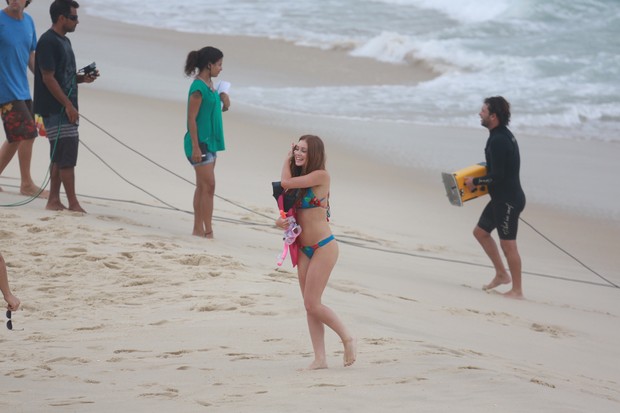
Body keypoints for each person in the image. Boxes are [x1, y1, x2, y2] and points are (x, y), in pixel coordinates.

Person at [276, 135, 356, 369]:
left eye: (303, 151)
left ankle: (348, 339)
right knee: (310, 304)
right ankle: (320, 358)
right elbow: (290, 214)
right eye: (297, 149)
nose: (298, 153)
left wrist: (286, 158)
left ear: (315, 155)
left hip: (324, 247)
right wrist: (279, 223)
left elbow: (285, 183)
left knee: (313, 303)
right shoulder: (300, 179)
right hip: (304, 248)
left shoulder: (321, 176)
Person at [33, 0, 98, 213]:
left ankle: (53, 199)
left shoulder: (65, 42)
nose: (77, 22)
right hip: (56, 108)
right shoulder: (48, 41)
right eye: (74, 17)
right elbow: (48, 78)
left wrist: (82, 79)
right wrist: (69, 106)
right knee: (67, 156)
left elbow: (64, 75)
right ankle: (73, 204)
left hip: (63, 106)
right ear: (61, 18)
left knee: (59, 155)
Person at [465, 96, 526, 299]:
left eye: (483, 111)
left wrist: (476, 182)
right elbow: (498, 169)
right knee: (480, 232)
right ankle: (501, 274)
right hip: (502, 199)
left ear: (493, 116)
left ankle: (517, 290)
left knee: (509, 245)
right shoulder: (500, 135)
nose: (479, 113)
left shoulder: (499, 140)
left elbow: (497, 177)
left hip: (508, 201)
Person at [0, 0, 48, 198]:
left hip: (23, 89)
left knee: (20, 136)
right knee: (25, 134)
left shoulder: (29, 22)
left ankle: (23, 182)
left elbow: (31, 55)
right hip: (4, 89)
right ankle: (26, 184)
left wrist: (46, 77)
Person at [183, 46, 229, 238]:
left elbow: (216, 110)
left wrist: (224, 100)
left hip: (210, 143)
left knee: (203, 186)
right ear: (209, 65)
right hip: (199, 143)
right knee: (209, 186)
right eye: (219, 64)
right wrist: (194, 146)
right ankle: (207, 231)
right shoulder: (198, 88)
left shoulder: (211, 86)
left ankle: (197, 229)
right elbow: (191, 119)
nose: (221, 68)